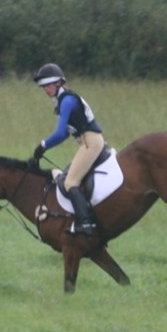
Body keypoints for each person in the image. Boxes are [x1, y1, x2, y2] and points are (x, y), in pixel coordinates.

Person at [31, 63, 105, 235]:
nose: (45, 90)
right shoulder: (63, 100)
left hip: (91, 143)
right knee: (67, 177)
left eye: (48, 85)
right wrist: (44, 148)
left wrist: (43, 145)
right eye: (43, 87)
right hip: (87, 142)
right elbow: (65, 134)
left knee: (70, 182)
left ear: (58, 83)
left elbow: (60, 132)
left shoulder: (67, 101)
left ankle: (86, 223)